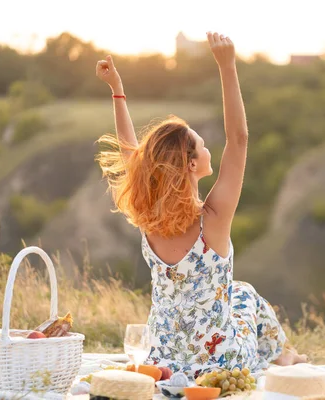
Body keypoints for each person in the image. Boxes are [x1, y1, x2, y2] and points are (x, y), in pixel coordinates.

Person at [95, 32, 308, 378]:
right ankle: (284, 357)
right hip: (218, 365)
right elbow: (238, 140)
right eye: (203, 145)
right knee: (246, 294)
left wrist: (116, 90)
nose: (210, 150)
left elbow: (129, 153)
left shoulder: (149, 217)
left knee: (238, 293)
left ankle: (285, 355)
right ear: (192, 164)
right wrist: (227, 67)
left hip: (162, 361)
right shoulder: (213, 220)